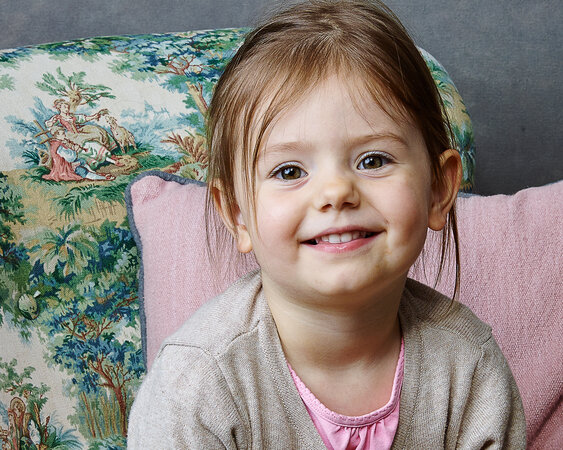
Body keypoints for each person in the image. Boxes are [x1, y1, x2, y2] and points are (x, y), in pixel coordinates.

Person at [128, 1, 526, 448]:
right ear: (237, 214)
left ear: (438, 188)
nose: (336, 192)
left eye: (373, 160)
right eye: (289, 171)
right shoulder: (196, 388)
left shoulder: (469, 369)